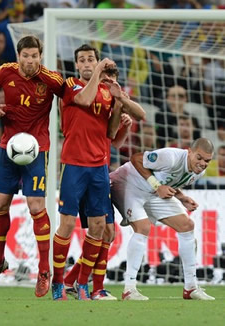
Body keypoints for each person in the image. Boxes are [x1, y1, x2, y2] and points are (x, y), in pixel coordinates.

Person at [0, 35, 64, 297]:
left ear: (40, 56)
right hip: (9, 148)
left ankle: (43, 270)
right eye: (25, 56)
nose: (29, 61)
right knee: (0, 205)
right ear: (18, 56)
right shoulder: (5, 72)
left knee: (36, 207)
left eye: (34, 56)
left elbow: (70, 98)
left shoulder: (51, 79)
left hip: (37, 150)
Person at [58, 66, 146, 301]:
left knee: (107, 232)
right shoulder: (78, 89)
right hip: (79, 167)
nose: (109, 80)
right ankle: (91, 287)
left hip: (100, 171)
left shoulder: (110, 99)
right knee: (103, 231)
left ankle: (74, 282)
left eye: (113, 78)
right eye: (83, 60)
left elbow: (114, 140)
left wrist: (121, 107)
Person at [50, 44, 120, 301]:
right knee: (67, 224)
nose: (88, 63)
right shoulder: (70, 85)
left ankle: (81, 285)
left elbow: (111, 132)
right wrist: (101, 71)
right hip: (74, 164)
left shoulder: (107, 92)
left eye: (92, 59)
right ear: (77, 65)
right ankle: (58, 282)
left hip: (99, 166)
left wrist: (121, 106)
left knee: (100, 226)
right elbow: (85, 100)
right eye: (83, 60)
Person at [111, 138, 215, 301]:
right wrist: (157, 186)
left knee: (187, 225)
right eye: (199, 157)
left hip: (152, 193)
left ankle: (191, 287)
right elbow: (136, 158)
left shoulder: (198, 171)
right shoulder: (171, 157)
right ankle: (129, 289)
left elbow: (169, 180)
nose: (202, 163)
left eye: (207, 160)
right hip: (128, 184)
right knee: (143, 227)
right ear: (189, 152)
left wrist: (182, 198)